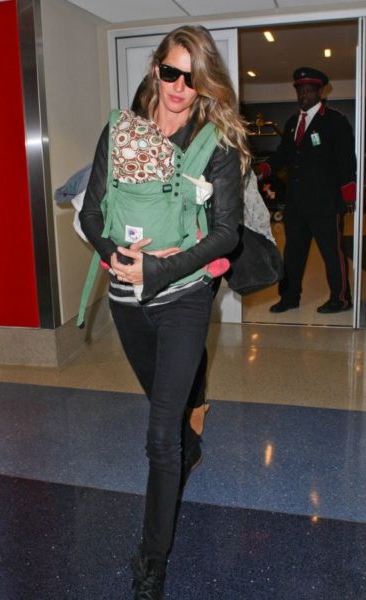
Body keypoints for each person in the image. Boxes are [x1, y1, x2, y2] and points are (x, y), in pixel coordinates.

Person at [79, 25, 249, 599]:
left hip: (184, 297)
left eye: (191, 78)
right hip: (126, 301)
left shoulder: (214, 143)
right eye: (171, 72)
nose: (179, 87)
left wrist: (156, 271)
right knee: (164, 404)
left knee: (158, 437)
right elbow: (91, 214)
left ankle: (151, 562)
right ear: (156, 69)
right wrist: (116, 257)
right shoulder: (122, 132)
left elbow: (225, 235)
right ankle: (188, 440)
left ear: (204, 84)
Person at [259, 67, 357, 314]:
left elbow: (346, 159)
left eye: (308, 90)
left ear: (319, 92)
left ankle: (341, 299)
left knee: (332, 253)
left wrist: (349, 193)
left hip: (326, 204)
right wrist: (264, 169)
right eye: (299, 91)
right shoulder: (293, 122)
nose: (303, 95)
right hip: (296, 204)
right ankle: (289, 297)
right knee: (293, 253)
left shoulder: (335, 120)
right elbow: (283, 154)